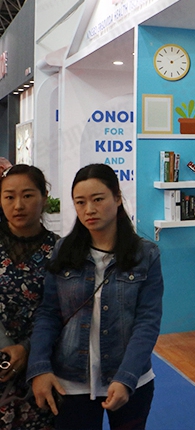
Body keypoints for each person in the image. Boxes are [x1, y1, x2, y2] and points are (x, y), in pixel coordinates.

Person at [28, 163, 163, 430]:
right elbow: (48, 313)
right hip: (70, 381)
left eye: (98, 199)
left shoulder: (145, 254)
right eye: (80, 202)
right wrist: (39, 367)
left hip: (131, 379)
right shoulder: (63, 251)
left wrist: (126, 377)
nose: (89, 209)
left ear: (117, 198)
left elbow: (147, 321)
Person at [0, 164, 58, 429]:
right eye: (9, 196)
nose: (18, 205)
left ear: (44, 197)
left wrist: (27, 348)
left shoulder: (62, 251)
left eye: (27, 195)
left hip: (42, 368)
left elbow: (67, 312)